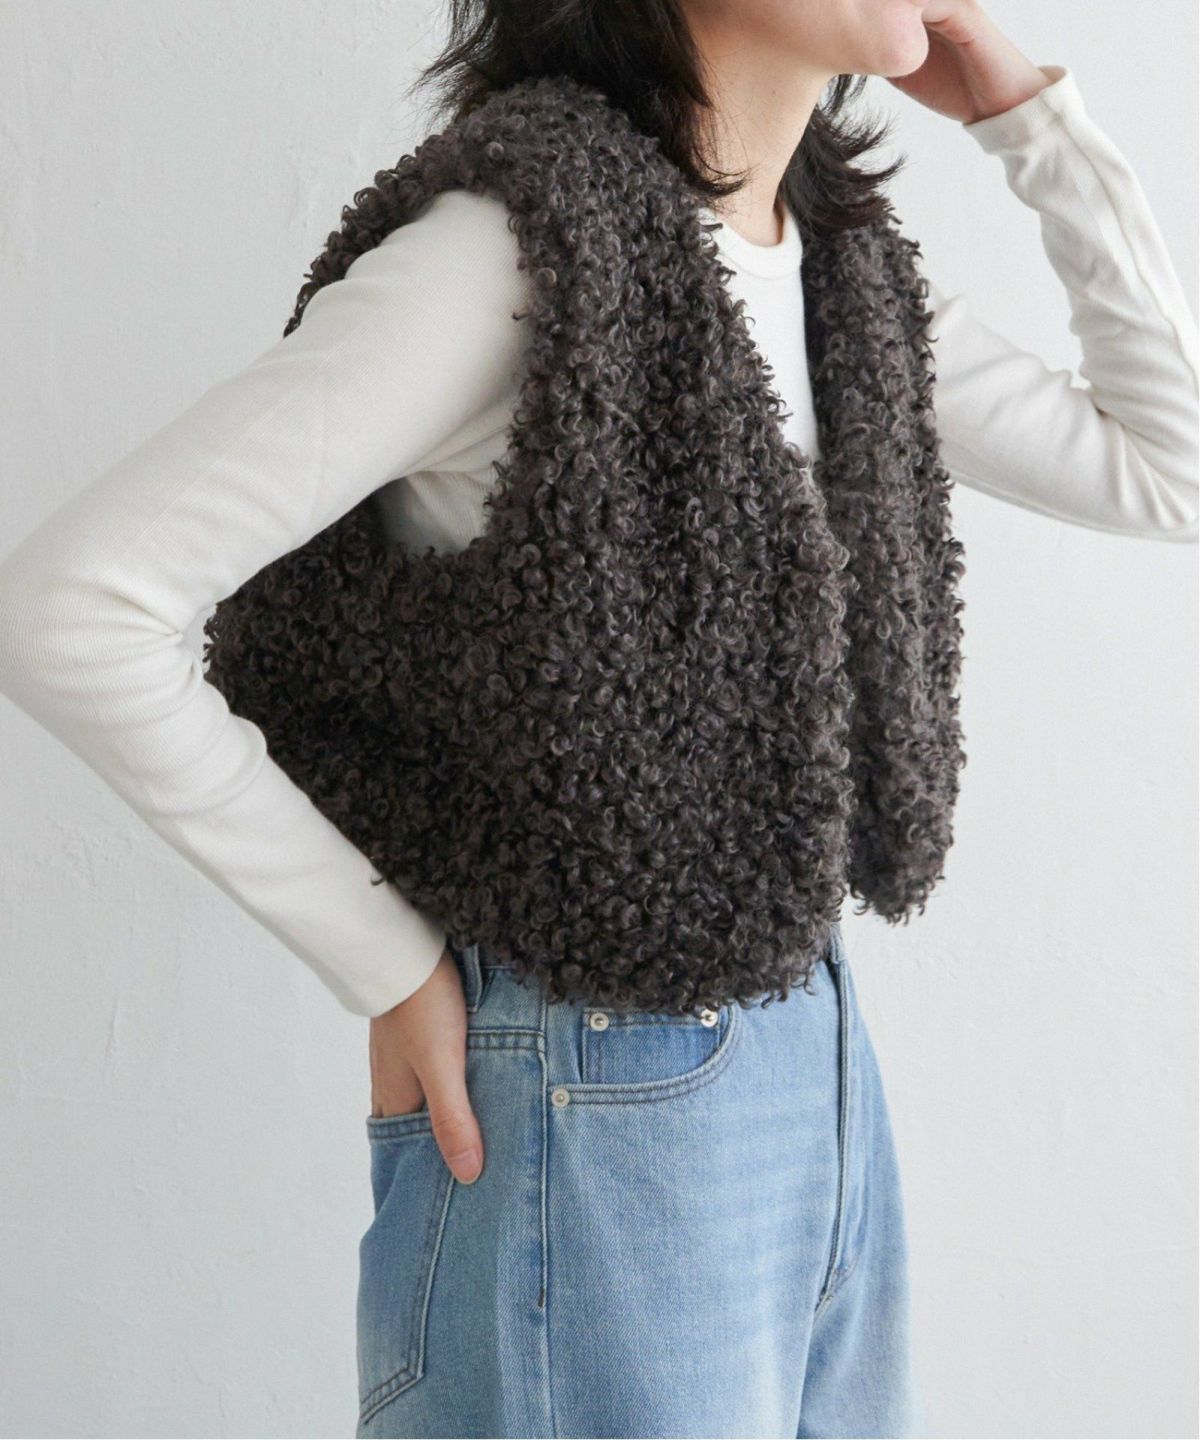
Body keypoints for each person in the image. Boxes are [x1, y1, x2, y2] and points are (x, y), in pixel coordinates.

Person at [0, 1, 1194, 1436]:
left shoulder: (837, 277)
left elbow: (1169, 465)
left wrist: (1030, 118)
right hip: (590, 1072)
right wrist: (383, 958)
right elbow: (75, 608)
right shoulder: (517, 255)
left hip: (805, 1059)